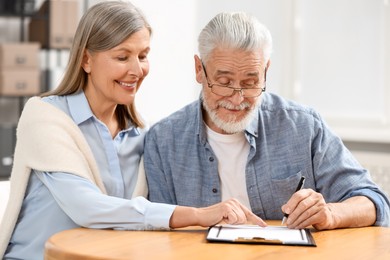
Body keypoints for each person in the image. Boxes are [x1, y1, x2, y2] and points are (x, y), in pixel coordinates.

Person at [0, 3, 265, 259]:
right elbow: (86, 207)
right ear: (86, 59)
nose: (137, 70)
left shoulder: (142, 135)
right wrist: (196, 214)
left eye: (143, 55)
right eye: (122, 57)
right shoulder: (45, 118)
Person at [144, 11, 390, 231]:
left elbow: (375, 202)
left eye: (251, 83)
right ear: (199, 69)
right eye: (224, 82)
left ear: (265, 72)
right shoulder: (163, 140)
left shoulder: (303, 126)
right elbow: (158, 228)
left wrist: (331, 214)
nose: (237, 98)